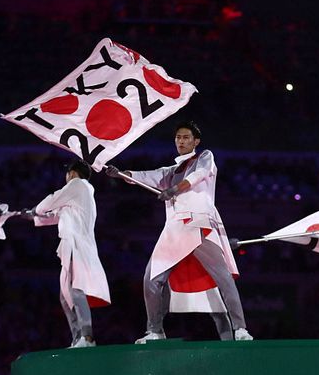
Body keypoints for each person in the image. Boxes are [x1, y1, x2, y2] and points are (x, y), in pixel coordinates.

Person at [106, 121, 252, 342]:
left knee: (223, 279)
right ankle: (155, 331)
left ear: (196, 141)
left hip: (197, 226)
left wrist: (173, 189)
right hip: (174, 230)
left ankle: (240, 329)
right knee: (151, 278)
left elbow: (197, 177)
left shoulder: (205, 157)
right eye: (178, 138)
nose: (181, 141)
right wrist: (122, 174)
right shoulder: (170, 170)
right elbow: (146, 176)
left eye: (185, 137)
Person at [22, 159, 111, 348]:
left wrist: (36, 209)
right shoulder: (77, 197)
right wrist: (33, 216)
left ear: (71, 174)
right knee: (65, 296)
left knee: (76, 290)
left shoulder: (78, 185)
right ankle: (77, 337)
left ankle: (87, 337)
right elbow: (55, 215)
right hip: (71, 247)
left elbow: (52, 200)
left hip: (77, 246)